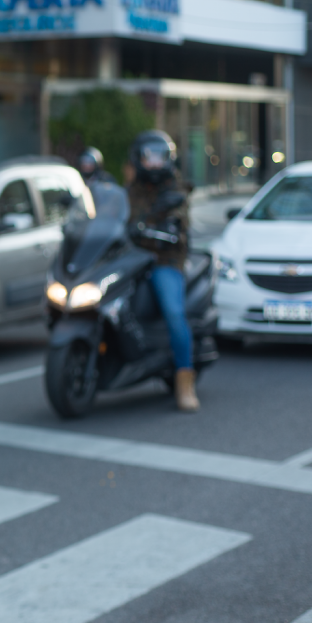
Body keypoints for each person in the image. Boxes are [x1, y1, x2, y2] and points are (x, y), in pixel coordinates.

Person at [125, 130, 199, 412]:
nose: (154, 163)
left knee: (173, 311)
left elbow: (180, 224)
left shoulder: (176, 191)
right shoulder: (130, 191)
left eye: (159, 157)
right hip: (131, 260)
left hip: (163, 261)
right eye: (148, 157)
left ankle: (185, 381)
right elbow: (111, 216)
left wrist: (166, 225)